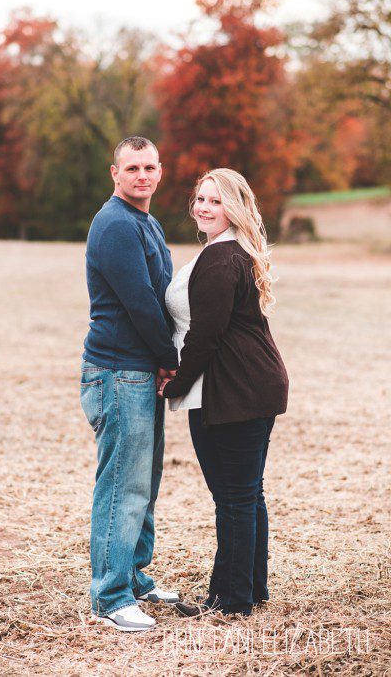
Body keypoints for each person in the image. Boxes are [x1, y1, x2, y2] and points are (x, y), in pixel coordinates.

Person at [159, 168, 289, 617]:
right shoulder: (226, 251)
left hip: (236, 390)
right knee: (247, 493)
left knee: (234, 497)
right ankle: (250, 588)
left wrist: (173, 383)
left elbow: (204, 337)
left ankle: (230, 600)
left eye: (215, 201)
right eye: (200, 198)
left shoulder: (220, 258)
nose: (203, 207)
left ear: (232, 208)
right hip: (250, 386)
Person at [80, 136, 182, 632]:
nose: (142, 175)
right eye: (132, 167)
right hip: (119, 372)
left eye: (149, 167)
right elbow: (141, 302)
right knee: (123, 483)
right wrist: (169, 358)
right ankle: (111, 596)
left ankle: (135, 577)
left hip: (140, 370)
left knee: (144, 482)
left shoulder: (146, 221)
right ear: (114, 173)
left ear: (160, 171)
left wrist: (162, 360)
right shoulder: (116, 224)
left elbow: (160, 294)